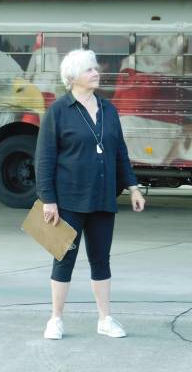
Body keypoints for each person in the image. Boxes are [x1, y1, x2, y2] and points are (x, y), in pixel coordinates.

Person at [35, 49, 146, 340]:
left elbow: (119, 151)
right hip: (68, 200)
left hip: (102, 197)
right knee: (64, 260)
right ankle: (55, 319)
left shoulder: (109, 109)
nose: (96, 73)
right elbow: (44, 159)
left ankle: (105, 319)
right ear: (72, 77)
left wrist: (133, 186)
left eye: (96, 68)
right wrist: (49, 200)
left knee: (101, 260)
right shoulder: (58, 111)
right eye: (89, 70)